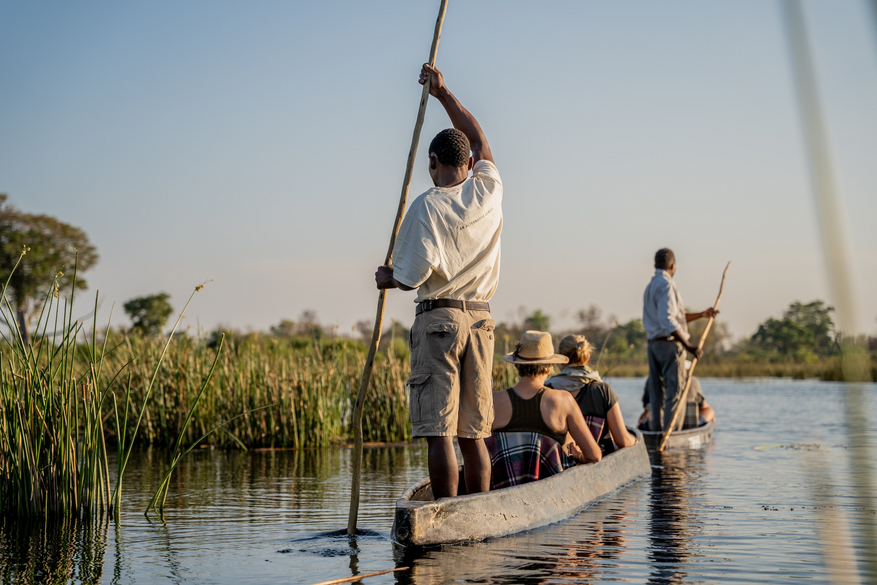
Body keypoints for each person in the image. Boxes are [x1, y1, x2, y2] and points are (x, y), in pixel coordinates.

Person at [375, 64, 502, 498]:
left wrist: (387, 277)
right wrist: (444, 94)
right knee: (473, 434)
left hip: (441, 320)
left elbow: (413, 278)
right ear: (469, 163)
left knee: (440, 431)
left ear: (432, 163)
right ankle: (479, 514)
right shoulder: (488, 189)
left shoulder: (427, 206)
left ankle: (447, 516)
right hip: (482, 322)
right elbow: (480, 137)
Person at [487, 331, 602, 490]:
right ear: (550, 366)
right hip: (550, 492)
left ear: (517, 364)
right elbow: (594, 455)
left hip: (501, 489)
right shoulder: (564, 400)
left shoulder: (493, 400)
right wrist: (579, 456)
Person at [642, 248, 719, 432]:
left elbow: (674, 317)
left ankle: (657, 432)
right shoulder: (667, 285)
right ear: (673, 266)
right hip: (668, 345)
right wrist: (689, 345)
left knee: (656, 393)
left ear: (655, 265)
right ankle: (670, 436)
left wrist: (702, 314)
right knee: (674, 394)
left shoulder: (650, 286)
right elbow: (668, 320)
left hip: (653, 345)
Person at [545, 335, 637, 454]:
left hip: (562, 460)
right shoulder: (603, 390)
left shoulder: (548, 390)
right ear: (587, 358)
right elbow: (622, 441)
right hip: (599, 455)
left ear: (561, 360)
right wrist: (635, 439)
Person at [639, 363, 716, 429]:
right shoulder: (691, 381)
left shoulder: (651, 382)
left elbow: (646, 410)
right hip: (687, 427)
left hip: (657, 427)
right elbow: (704, 407)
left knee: (645, 416)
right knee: (710, 411)